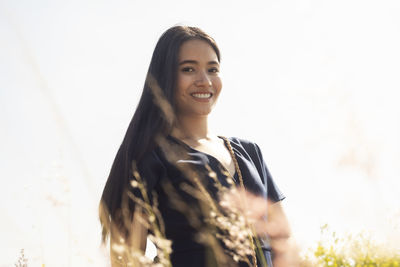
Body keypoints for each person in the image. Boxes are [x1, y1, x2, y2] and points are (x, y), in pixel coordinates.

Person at [99, 25, 295, 267]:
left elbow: (283, 241)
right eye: (188, 69)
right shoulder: (150, 159)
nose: (204, 81)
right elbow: (126, 259)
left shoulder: (250, 153)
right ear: (165, 77)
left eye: (213, 69)